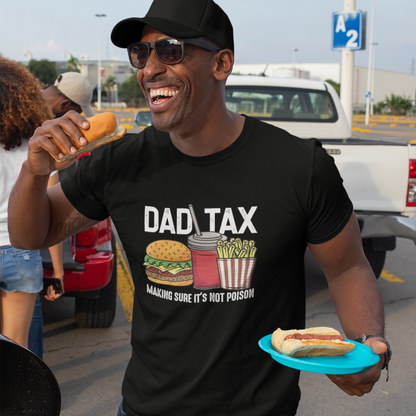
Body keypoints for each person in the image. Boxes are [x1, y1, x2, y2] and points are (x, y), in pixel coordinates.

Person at [8, 1, 391, 415]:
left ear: (221, 63)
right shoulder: (120, 163)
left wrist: (367, 345)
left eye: (170, 50)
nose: (149, 68)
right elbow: (31, 235)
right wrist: (33, 171)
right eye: (141, 52)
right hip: (146, 407)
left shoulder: (299, 166)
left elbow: (348, 267)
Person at [28, 73, 95, 359]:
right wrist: (57, 272)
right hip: (17, 252)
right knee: (23, 348)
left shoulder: (13, 107)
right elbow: (48, 215)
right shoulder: (43, 139)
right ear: (64, 104)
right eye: (76, 113)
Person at [0, 58, 55, 349]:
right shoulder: (38, 147)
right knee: (17, 348)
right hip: (20, 251)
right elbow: (49, 205)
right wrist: (57, 270)